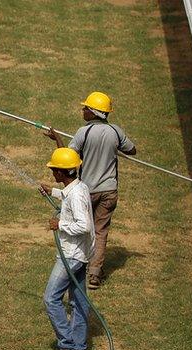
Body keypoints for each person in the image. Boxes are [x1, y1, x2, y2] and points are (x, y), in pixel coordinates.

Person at [44, 91, 136, 289]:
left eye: (86, 108)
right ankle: (94, 274)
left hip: (87, 190)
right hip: (110, 191)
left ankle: (79, 264)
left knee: (83, 227)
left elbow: (67, 157)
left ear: (94, 112)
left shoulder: (83, 132)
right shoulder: (115, 132)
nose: (83, 110)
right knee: (100, 231)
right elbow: (132, 150)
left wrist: (57, 138)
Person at [39, 147, 95, 350]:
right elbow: (68, 197)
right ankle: (79, 348)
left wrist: (59, 224)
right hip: (80, 255)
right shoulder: (77, 187)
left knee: (50, 298)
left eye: (54, 169)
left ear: (62, 172)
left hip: (70, 256)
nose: (52, 172)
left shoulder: (77, 195)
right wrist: (52, 192)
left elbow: (84, 225)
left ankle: (68, 345)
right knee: (79, 301)